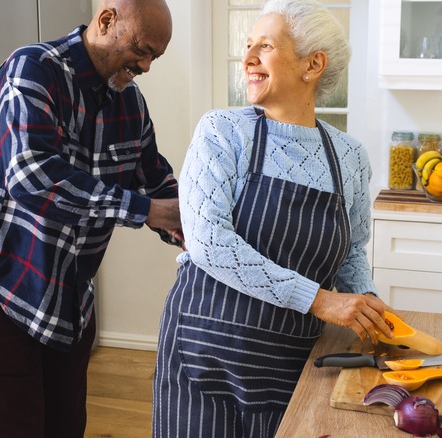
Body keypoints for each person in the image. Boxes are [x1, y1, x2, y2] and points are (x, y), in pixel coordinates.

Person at [152, 1, 394, 436]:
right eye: (247, 46)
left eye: (264, 46)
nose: (246, 59)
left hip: (290, 354)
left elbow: (351, 251)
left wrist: (369, 308)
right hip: (207, 347)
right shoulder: (222, 131)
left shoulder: (350, 157)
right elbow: (209, 244)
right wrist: (321, 300)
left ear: (313, 64)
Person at [0, 0, 181, 436]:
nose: (147, 66)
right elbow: (33, 177)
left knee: (66, 426)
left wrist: (195, 227)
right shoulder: (32, 70)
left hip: (70, 294)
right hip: (1, 286)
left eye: (156, 56)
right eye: (142, 49)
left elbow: (157, 182)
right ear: (108, 20)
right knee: (19, 428)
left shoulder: (130, 104)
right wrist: (146, 211)